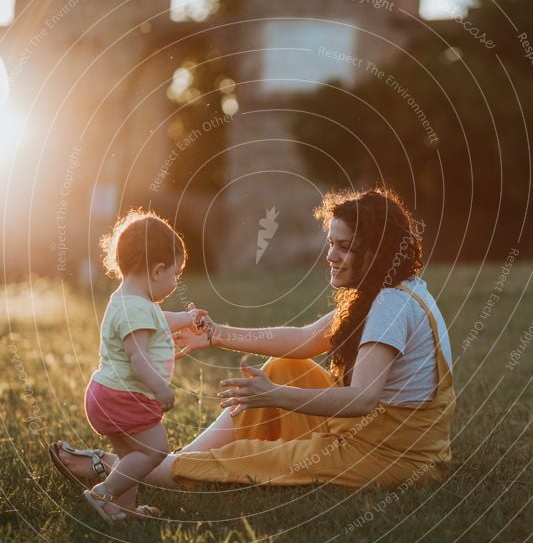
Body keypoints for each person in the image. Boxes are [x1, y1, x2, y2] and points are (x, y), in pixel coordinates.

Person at [50, 188, 456, 503]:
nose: (330, 255)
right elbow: (303, 340)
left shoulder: (390, 305)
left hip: (389, 454)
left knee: (246, 459)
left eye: (345, 246)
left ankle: (108, 465)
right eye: (331, 242)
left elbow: (363, 400)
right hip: (370, 432)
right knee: (283, 364)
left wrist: (274, 396)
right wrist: (216, 334)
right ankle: (175, 465)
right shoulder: (388, 291)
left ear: (377, 251)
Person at [58, 209, 207, 524]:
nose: (175, 281)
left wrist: (187, 320)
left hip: (108, 395)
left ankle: (121, 510)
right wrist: (160, 388)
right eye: (175, 274)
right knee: (155, 452)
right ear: (157, 271)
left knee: (131, 457)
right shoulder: (136, 309)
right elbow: (138, 357)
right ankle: (104, 492)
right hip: (124, 396)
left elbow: (160, 320)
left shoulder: (130, 300)